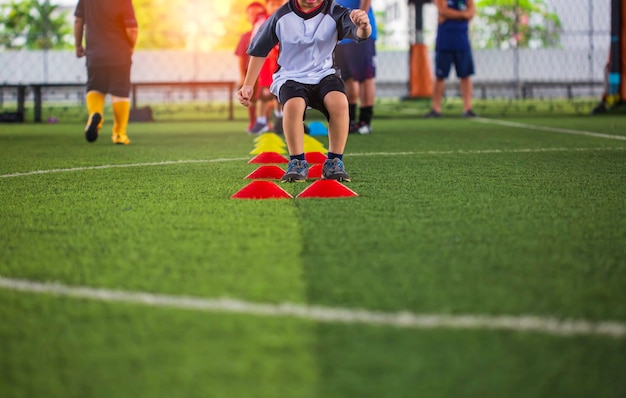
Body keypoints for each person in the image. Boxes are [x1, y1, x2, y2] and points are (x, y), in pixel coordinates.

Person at [237, 0, 371, 182]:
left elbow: (360, 35)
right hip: (290, 76)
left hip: (325, 74)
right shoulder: (281, 16)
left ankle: (334, 162)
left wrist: (364, 25)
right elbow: (259, 49)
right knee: (293, 106)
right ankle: (297, 162)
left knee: (339, 103)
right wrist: (248, 85)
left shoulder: (336, 12)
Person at [74, 0, 138, 145]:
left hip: (95, 54)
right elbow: (132, 29)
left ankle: (95, 115)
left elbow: (78, 21)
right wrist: (131, 46)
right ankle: (119, 134)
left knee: (95, 87)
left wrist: (78, 45)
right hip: (119, 53)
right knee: (120, 93)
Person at [425, 0, 477, 118]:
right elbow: (443, 10)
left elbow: (471, 12)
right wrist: (463, 14)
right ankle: (436, 108)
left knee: (466, 75)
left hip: (462, 42)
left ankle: (468, 108)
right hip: (444, 42)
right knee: (440, 76)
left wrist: (451, 15)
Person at [335, 0, 377, 134]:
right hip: (340, 36)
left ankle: (365, 121)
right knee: (346, 78)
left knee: (365, 76)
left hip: (359, 32)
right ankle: (350, 120)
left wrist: (360, 21)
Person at [235, 2, 267, 133]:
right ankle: (255, 122)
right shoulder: (246, 37)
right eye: (252, 14)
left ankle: (266, 121)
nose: (255, 17)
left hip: (268, 72)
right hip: (253, 73)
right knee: (253, 98)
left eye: (258, 14)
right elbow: (242, 58)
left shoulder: (269, 31)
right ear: (247, 17)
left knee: (267, 97)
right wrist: (243, 77)